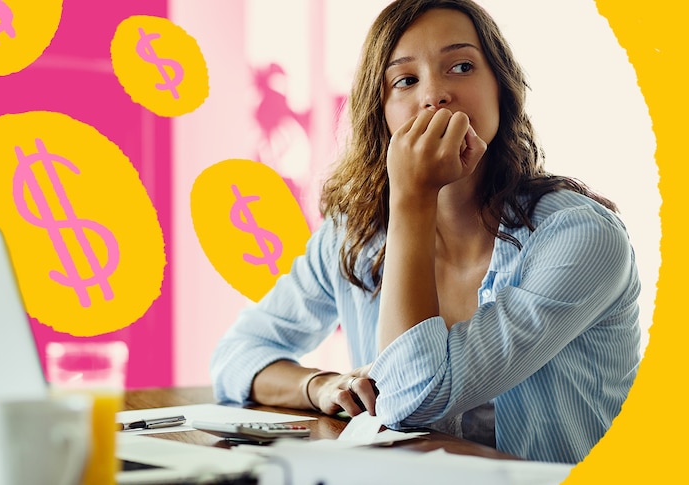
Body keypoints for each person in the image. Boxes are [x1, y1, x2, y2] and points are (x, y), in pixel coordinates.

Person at [210, 0, 640, 464]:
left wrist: (412, 200)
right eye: (406, 80)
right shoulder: (354, 235)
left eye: (460, 66)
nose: (435, 95)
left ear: (502, 88)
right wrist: (318, 386)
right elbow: (237, 357)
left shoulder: (579, 239)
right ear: (383, 113)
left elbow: (414, 400)